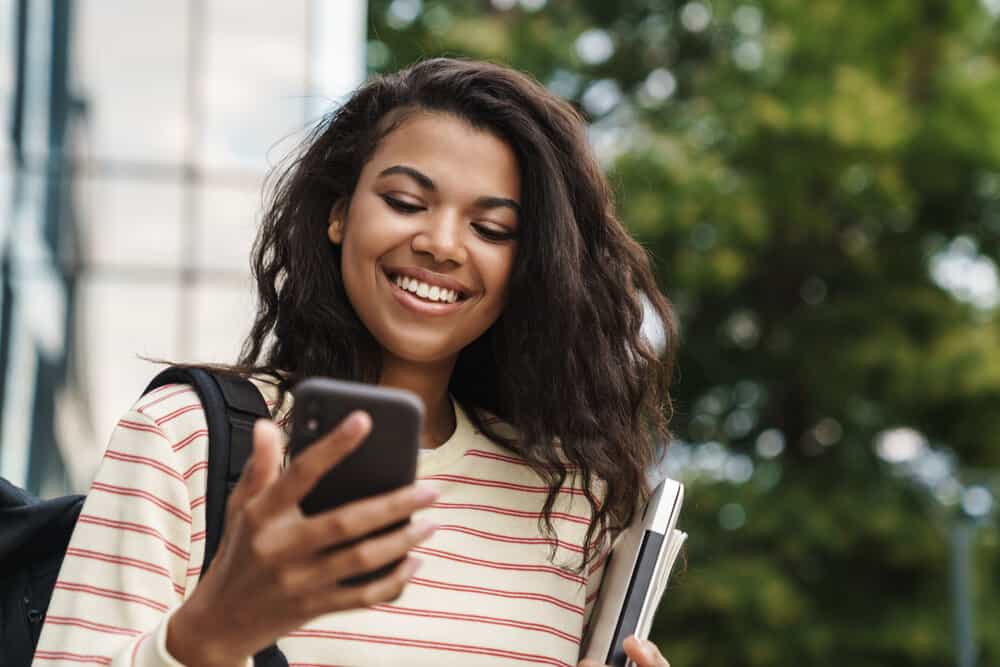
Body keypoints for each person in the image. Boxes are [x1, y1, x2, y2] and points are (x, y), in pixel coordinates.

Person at [34, 58, 676, 667]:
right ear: (340, 213)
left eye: (493, 230)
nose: (441, 244)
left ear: (528, 267)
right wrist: (210, 630)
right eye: (404, 202)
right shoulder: (183, 439)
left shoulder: (569, 499)